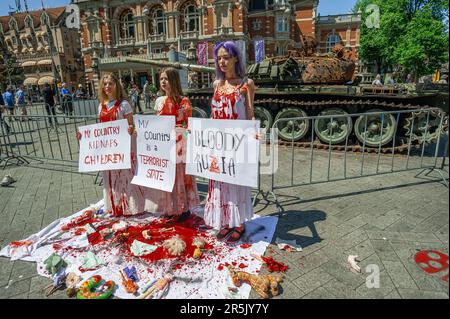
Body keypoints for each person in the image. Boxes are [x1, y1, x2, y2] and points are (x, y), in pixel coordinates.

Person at [203, 41, 256, 242]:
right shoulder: (216, 84)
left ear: (235, 58)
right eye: (219, 58)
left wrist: (253, 135)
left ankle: (239, 223)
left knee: (237, 181)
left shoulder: (246, 84)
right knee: (221, 183)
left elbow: (250, 114)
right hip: (218, 144)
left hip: (237, 144)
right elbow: (213, 114)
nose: (222, 61)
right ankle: (225, 221)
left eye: (226, 57)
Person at [76, 73, 145, 216]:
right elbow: (100, 128)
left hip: (123, 149)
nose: (107, 86)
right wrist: (84, 136)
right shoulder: (101, 106)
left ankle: (130, 207)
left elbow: (131, 126)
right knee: (110, 178)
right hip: (107, 151)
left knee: (125, 177)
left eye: (110, 83)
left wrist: (131, 129)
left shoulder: (124, 105)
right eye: (105, 84)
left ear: (116, 86)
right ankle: (115, 205)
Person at [151, 67, 200, 222]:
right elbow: (156, 123)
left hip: (178, 146)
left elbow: (188, 124)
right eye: (161, 79)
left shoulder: (183, 101)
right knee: (167, 179)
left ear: (174, 81)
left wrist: (178, 131)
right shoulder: (159, 101)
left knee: (179, 178)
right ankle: (170, 208)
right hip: (164, 146)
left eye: (166, 79)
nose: (163, 82)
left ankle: (182, 209)